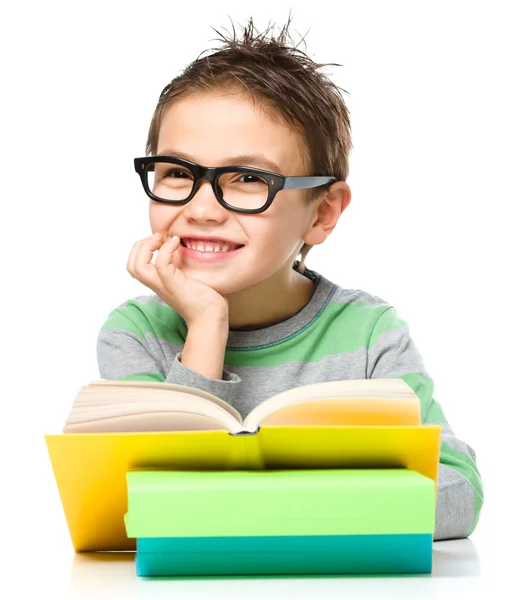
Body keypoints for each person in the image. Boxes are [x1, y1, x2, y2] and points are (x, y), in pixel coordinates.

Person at [97, 17, 483, 541]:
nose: (202, 209)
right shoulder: (135, 332)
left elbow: (457, 496)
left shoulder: (370, 336)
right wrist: (206, 326)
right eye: (178, 173)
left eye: (251, 179)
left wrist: (263, 508)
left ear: (322, 214)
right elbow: (155, 508)